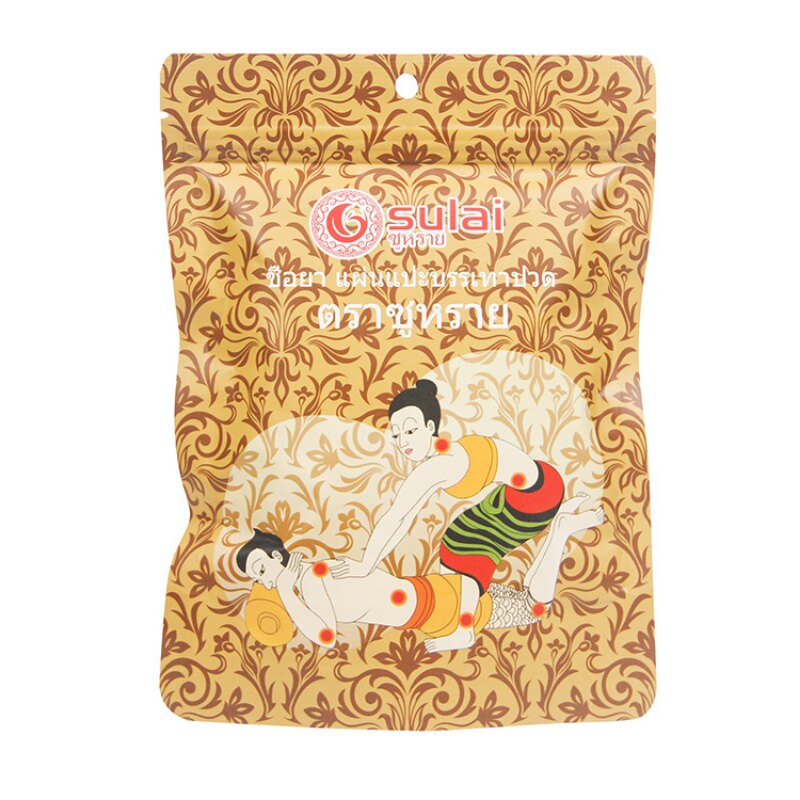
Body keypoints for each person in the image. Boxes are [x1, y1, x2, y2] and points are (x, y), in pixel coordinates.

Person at [329, 378, 569, 652]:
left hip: (534, 500)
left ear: (430, 427)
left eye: (410, 430)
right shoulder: (451, 452)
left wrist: (365, 565)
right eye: (396, 435)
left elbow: (398, 518)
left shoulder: (439, 466)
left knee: (463, 548)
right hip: (536, 490)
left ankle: (463, 630)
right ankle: (464, 621)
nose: (403, 442)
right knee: (458, 549)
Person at [236, 500, 604, 648]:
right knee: (529, 602)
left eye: (262, 569)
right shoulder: (317, 566)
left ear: (276, 555)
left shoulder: (308, 582)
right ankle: (559, 528)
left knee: (534, 608)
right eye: (258, 577)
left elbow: (325, 636)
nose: (264, 580)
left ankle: (560, 531)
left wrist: (284, 590)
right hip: (435, 592)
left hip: (440, 610)